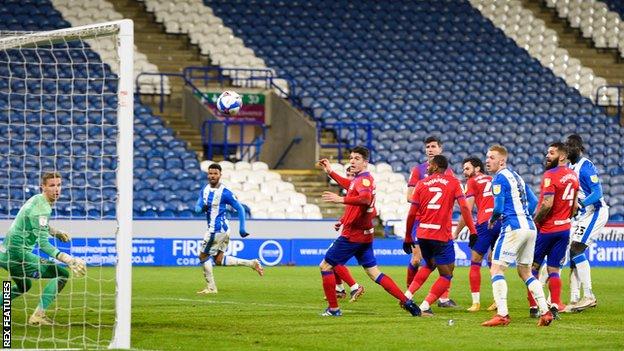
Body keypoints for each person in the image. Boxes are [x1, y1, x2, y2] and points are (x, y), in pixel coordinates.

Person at [317, 146, 421, 317]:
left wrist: (340, 199)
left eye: (357, 158)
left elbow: (365, 199)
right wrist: (330, 172)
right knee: (374, 273)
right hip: (364, 236)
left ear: (365, 162)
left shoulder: (364, 181)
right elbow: (350, 186)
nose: (352, 161)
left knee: (326, 266)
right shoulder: (360, 180)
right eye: (351, 158)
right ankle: (407, 302)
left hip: (353, 235)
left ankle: (334, 309)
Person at [481, 145, 554, 327]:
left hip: (513, 227)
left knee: (496, 270)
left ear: (502, 160)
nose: (487, 161)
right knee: (526, 272)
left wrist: (493, 220)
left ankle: (502, 314)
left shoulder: (498, 179)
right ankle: (545, 312)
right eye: (487, 157)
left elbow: (498, 207)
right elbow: (535, 202)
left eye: (491, 157)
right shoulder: (518, 177)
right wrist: (524, 215)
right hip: (529, 227)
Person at [0, 172, 86, 326]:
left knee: (24, 286)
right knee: (62, 273)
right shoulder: (43, 209)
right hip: (18, 255)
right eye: (52, 185)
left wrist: (56, 232)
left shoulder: (36, 199)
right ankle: (38, 315)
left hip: (4, 253)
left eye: (59, 185)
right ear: (43, 187)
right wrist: (68, 259)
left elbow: (38, 225)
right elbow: (44, 244)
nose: (56, 189)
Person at [403, 155, 477, 316]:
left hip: (423, 234)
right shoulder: (453, 182)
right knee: (447, 273)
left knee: (429, 265)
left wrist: (408, 236)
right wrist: (472, 230)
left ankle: (407, 296)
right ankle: (424, 306)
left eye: (429, 164)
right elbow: (465, 207)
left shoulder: (422, 184)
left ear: (436, 166)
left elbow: (411, 214)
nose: (427, 167)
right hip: (441, 235)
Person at [195, 163, 263, 294]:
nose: (212, 176)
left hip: (217, 229)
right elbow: (198, 206)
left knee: (202, 256)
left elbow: (240, 208)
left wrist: (242, 228)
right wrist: (199, 208)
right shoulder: (204, 189)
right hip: (223, 229)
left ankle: (211, 288)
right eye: (210, 173)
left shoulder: (224, 192)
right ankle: (252, 263)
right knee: (218, 260)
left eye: (215, 173)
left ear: (220, 175)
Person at [404, 136, 456, 307]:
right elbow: (409, 196)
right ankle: (408, 295)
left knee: (444, 263)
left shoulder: (448, 172)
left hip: (440, 222)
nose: (430, 149)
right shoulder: (418, 170)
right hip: (421, 219)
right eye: (428, 147)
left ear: (440, 149)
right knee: (417, 259)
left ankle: (443, 298)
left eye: (433, 146)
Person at [529, 142, 579, 318]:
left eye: (551, 153)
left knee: (532, 268)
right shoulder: (573, 176)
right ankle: (555, 306)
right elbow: (574, 207)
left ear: (563, 156)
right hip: (564, 228)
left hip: (547, 229)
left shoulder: (550, 174)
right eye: (547, 153)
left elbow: (547, 204)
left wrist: (535, 221)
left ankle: (535, 307)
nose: (547, 156)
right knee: (554, 270)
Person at [564, 134, 609, 312]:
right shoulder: (569, 167)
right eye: (567, 145)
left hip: (596, 211)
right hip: (582, 216)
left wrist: (580, 204)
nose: (569, 148)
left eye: (572, 146)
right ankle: (575, 299)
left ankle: (589, 295)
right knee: (573, 253)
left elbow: (598, 193)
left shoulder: (586, 166)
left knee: (576, 250)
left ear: (580, 148)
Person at [452, 157, 500, 312]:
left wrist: (456, 232)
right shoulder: (494, 178)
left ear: (477, 168)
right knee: (495, 262)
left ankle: (476, 303)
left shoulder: (472, 182)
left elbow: (467, 209)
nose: (464, 172)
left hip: (485, 222)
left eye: (467, 168)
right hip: (500, 221)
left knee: (475, 260)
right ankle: (497, 301)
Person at [328, 165, 363, 302]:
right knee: (333, 260)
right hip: (350, 232)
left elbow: (364, 212)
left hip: (354, 235)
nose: (349, 178)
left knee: (332, 259)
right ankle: (340, 289)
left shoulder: (360, 192)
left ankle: (353, 287)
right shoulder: (351, 193)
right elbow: (350, 212)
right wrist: (342, 221)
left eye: (351, 176)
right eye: (347, 175)